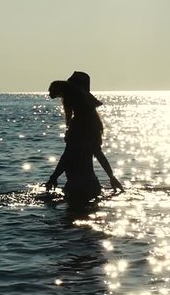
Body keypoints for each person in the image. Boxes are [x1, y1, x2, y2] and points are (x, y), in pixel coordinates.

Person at [46, 72, 123, 205]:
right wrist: (111, 177)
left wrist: (53, 178)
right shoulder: (92, 123)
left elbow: (68, 156)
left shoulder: (78, 124)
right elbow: (98, 154)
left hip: (76, 187)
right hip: (92, 185)